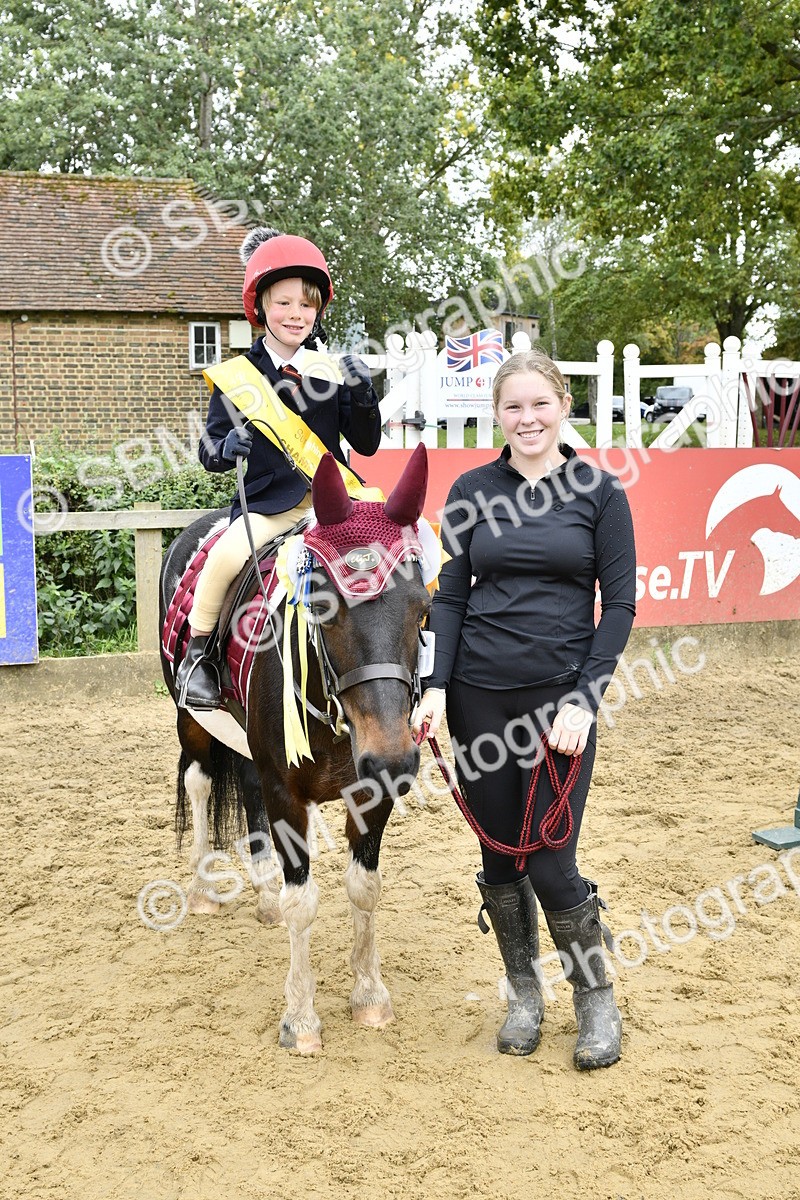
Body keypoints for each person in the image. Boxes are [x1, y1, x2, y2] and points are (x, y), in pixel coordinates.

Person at [412, 349, 636, 1069]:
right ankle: (524, 996)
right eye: (514, 407)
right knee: (500, 857)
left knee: (551, 864)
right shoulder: (472, 488)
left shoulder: (600, 493)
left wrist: (585, 698)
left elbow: (621, 603)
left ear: (562, 404)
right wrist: (435, 687)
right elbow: (450, 595)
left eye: (539, 404)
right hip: (478, 697)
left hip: (559, 704)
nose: (527, 418)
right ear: (498, 414)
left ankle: (595, 999)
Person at [176, 227, 381, 709]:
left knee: (398, 552)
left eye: (306, 305)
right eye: (284, 303)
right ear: (261, 307)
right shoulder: (236, 377)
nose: (296, 315)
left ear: (318, 311)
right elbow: (209, 451)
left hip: (335, 504)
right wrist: (229, 445)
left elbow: (366, 444)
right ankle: (199, 658)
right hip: (270, 505)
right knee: (225, 555)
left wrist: (364, 392)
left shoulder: (330, 370)